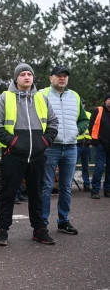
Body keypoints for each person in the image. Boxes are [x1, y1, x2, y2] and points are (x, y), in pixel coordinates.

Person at [0, 63, 59, 246]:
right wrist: (12, 142)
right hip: (13, 156)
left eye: (29, 74)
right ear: (16, 78)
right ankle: (2, 231)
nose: (27, 77)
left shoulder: (42, 99)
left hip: (37, 156)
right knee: (8, 195)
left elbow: (53, 122)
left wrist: (44, 142)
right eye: (23, 74)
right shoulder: (5, 97)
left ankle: (39, 230)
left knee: (37, 195)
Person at [40, 66, 88, 236]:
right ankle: (42, 223)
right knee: (46, 186)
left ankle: (63, 221)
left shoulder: (74, 96)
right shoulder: (41, 94)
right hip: (50, 148)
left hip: (71, 147)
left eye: (65, 76)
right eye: (59, 76)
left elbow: (83, 120)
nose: (62, 78)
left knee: (66, 187)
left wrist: (77, 130)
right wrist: (44, 138)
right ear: (50, 78)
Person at [88, 93, 110, 199]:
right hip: (100, 144)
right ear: (105, 100)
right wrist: (95, 140)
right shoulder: (98, 110)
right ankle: (95, 190)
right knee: (99, 168)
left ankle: (108, 190)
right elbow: (91, 125)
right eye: (109, 99)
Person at [76, 99, 93, 192]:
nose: (82, 105)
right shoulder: (74, 114)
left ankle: (87, 185)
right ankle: (67, 186)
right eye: (80, 103)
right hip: (76, 144)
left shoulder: (89, 114)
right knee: (71, 166)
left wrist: (92, 142)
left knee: (86, 166)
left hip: (87, 145)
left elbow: (93, 128)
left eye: (83, 103)